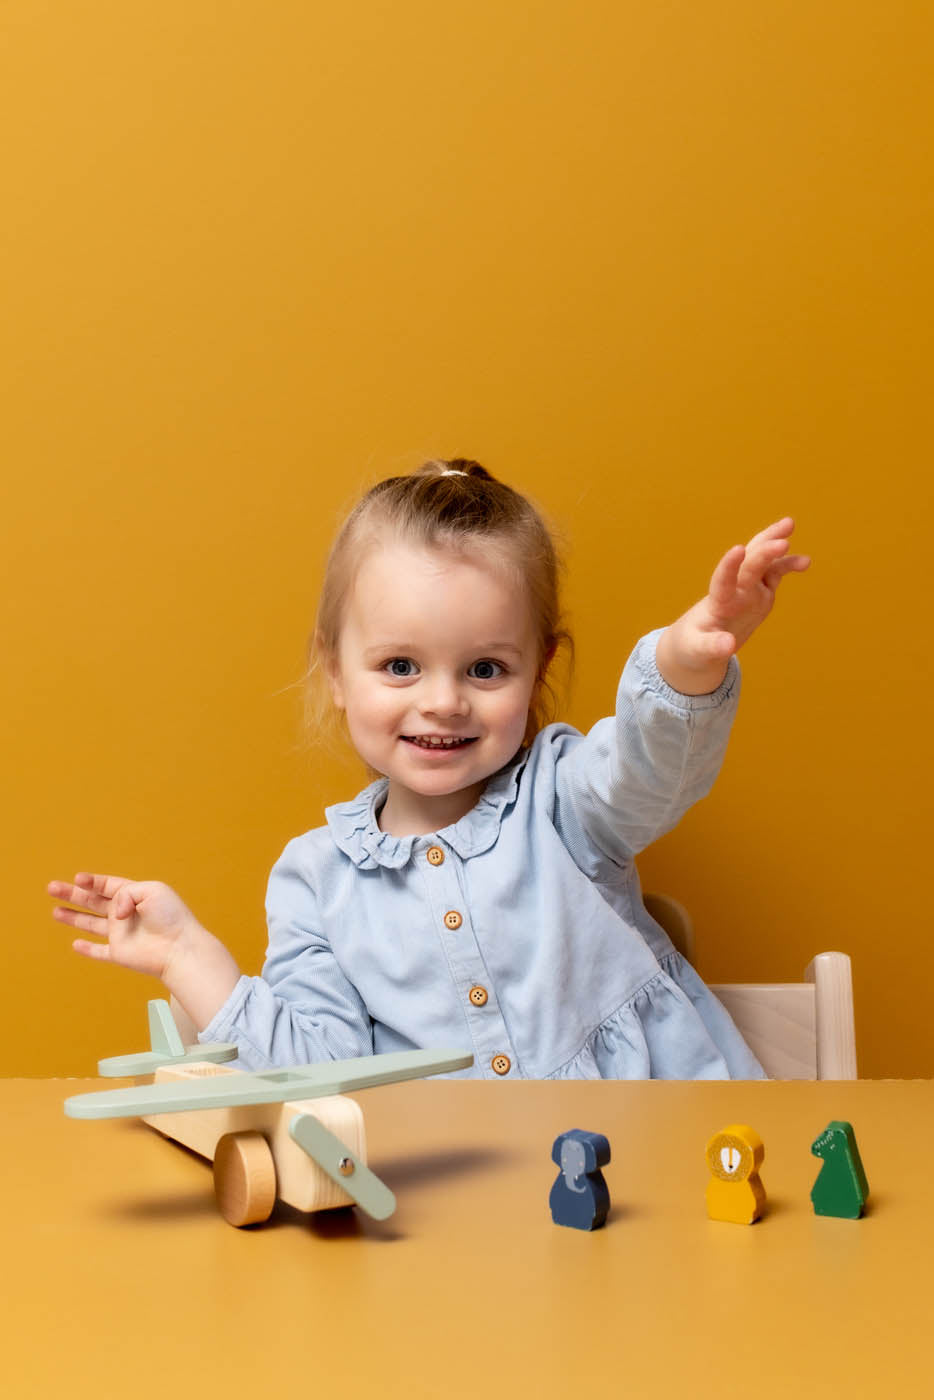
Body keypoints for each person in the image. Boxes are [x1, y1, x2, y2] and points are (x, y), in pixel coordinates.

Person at [49, 460, 810, 1079]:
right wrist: (188, 957)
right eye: (401, 665)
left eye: (485, 668)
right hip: (474, 1230)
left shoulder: (563, 796)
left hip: (673, 1169)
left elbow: (650, 774)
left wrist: (681, 668)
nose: (443, 702)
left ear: (539, 669)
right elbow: (322, 1072)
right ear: (337, 671)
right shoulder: (316, 881)